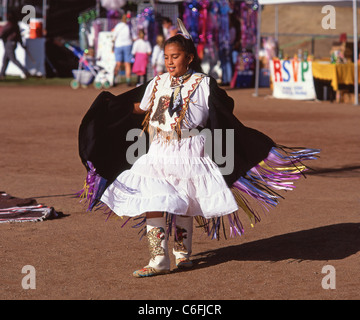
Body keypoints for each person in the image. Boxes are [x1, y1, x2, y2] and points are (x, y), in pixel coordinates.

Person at [78, 20, 319, 278]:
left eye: (176, 56)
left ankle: (183, 255)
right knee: (152, 198)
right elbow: (143, 107)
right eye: (167, 57)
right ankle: (158, 257)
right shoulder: (157, 83)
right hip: (158, 150)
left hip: (190, 151)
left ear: (189, 57)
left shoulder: (204, 84)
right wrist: (112, 106)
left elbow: (224, 110)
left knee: (185, 203)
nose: (170, 62)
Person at [0, 11, 30, 80]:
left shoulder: (9, 25)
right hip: (13, 44)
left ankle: (25, 71)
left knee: (13, 59)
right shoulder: (16, 25)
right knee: (5, 60)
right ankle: (2, 74)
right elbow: (19, 37)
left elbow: (2, 33)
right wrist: (22, 44)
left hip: (9, 44)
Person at [112, 14, 133, 86]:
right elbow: (133, 36)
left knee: (118, 63)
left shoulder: (118, 26)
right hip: (128, 44)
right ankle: (128, 80)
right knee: (127, 63)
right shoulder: (129, 26)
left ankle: (114, 79)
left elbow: (114, 36)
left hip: (118, 45)